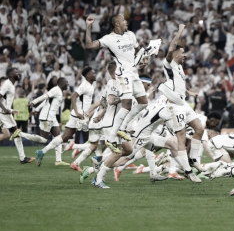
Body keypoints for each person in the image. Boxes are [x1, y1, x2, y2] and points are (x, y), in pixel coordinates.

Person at [85, 14, 150, 154]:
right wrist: (88, 27)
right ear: (117, 24)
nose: (126, 21)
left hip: (134, 72)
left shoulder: (131, 35)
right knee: (126, 103)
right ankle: (112, 137)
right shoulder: (109, 39)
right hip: (123, 74)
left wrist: (144, 59)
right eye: (123, 20)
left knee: (144, 102)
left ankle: (122, 127)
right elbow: (89, 45)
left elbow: (138, 51)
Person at [157, 24, 204, 182]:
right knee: (181, 137)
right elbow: (170, 49)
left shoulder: (179, 68)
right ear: (176, 53)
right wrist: (180, 32)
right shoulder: (169, 63)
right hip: (173, 107)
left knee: (199, 128)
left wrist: (189, 92)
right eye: (183, 53)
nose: (185, 56)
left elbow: (178, 86)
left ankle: (193, 160)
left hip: (183, 104)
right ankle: (188, 171)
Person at [35, 67, 96, 168]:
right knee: (93, 140)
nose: (95, 74)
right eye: (93, 73)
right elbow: (73, 96)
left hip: (79, 115)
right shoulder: (85, 85)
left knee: (64, 137)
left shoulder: (90, 86)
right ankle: (79, 158)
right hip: (81, 116)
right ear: (88, 75)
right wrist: (77, 112)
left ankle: (42, 151)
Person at [28, 77, 70, 166]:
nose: (68, 84)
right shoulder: (56, 89)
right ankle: (21, 135)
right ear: (62, 83)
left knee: (58, 137)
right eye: (66, 82)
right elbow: (44, 97)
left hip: (52, 117)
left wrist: (36, 110)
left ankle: (58, 160)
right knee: (43, 140)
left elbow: (46, 102)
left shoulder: (59, 92)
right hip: (47, 117)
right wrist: (33, 102)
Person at [0, 68, 35, 164]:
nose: (18, 72)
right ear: (10, 75)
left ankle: (23, 158)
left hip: (5, 113)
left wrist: (10, 110)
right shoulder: (7, 84)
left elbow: (5, 101)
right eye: (15, 72)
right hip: (3, 113)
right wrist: (5, 110)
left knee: (16, 134)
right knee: (17, 133)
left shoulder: (11, 85)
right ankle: (23, 157)